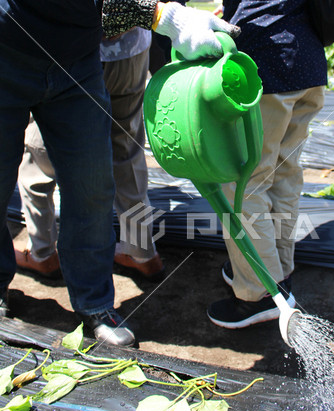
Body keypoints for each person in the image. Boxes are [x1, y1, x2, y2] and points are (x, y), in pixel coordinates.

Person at [0, 0, 240, 347]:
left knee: (92, 187)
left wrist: (164, 16)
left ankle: (94, 303)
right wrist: (165, 17)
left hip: (77, 61)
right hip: (8, 50)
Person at [207, 0, 328, 329]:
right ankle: (280, 271)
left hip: (266, 65)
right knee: (284, 174)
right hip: (309, 63)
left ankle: (260, 293)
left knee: (244, 182)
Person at [15, 27, 166, 282]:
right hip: (129, 50)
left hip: (70, 48)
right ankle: (142, 253)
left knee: (41, 151)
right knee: (126, 151)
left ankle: (42, 253)